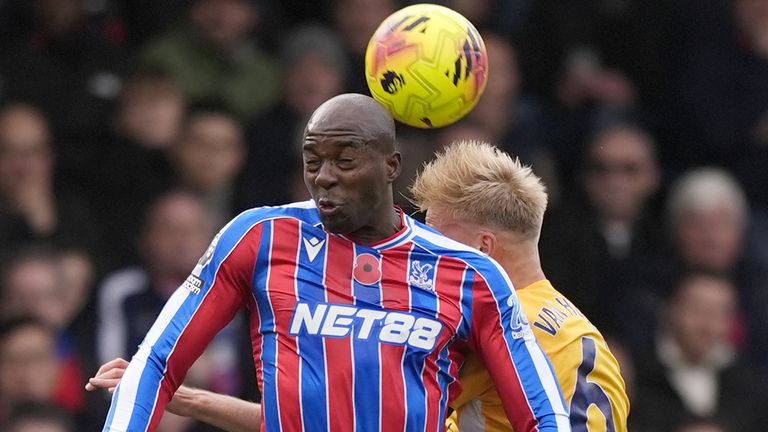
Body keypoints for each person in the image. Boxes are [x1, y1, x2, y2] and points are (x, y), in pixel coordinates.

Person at [97, 94, 569, 431]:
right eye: (312, 160)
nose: (323, 177)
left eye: (345, 161)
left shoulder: (470, 274)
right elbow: (156, 361)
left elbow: (543, 415)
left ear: (391, 166)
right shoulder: (260, 237)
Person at [410, 141, 628, 431]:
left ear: (482, 247)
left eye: (438, 242)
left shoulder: (495, 324)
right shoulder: (582, 328)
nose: (427, 254)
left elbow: (393, 392)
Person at [631, 272, 768, 432]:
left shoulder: (751, 383)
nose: (707, 326)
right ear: (670, 310)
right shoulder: (637, 375)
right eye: (697, 310)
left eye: (719, 313)